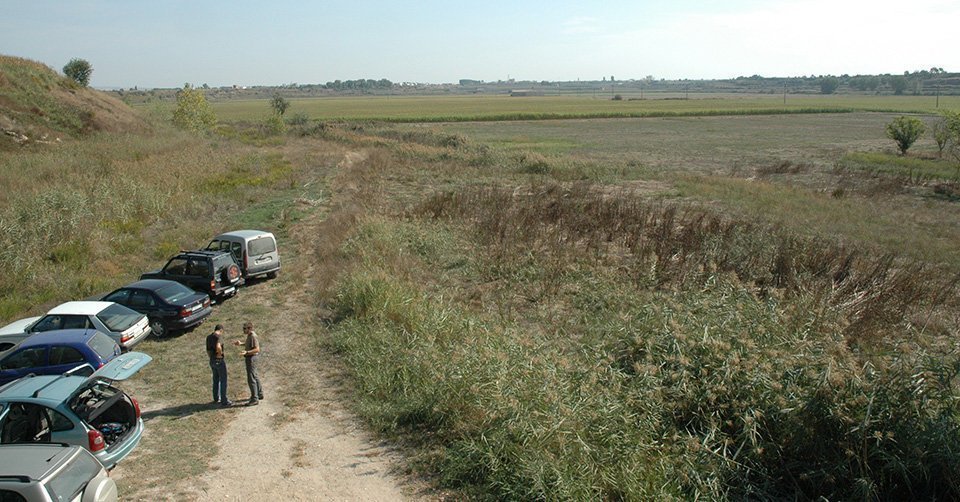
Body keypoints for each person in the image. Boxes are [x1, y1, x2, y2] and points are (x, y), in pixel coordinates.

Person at [233, 321, 263, 406]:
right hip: (251, 358)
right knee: (255, 376)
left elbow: (257, 349)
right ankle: (259, 394)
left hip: (251, 359)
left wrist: (246, 352)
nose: (243, 330)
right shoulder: (250, 336)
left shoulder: (253, 336)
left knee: (251, 379)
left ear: (249, 328)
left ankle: (254, 399)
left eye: (244, 328)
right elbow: (250, 345)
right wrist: (241, 343)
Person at [206, 324, 231, 406]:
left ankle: (216, 397)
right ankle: (224, 400)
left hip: (212, 360)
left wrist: (212, 357)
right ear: (221, 330)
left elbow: (208, 350)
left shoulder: (209, 337)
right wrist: (220, 354)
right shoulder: (218, 337)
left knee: (215, 379)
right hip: (219, 360)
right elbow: (218, 346)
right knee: (223, 380)